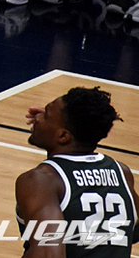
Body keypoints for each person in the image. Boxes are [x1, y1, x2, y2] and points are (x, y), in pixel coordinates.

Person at [16, 86, 138, 255]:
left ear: (63, 136)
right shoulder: (121, 172)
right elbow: (129, 231)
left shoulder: (42, 180)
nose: (37, 116)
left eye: (46, 115)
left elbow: (49, 254)